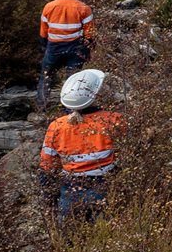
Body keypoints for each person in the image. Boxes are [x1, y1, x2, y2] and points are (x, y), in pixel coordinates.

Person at [40, 69, 123, 225]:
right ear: (97, 94)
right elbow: (131, 153)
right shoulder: (113, 120)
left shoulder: (57, 126)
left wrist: (49, 199)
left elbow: (48, 167)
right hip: (105, 188)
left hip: (69, 192)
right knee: (105, 237)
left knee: (67, 241)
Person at [39, 0, 95, 109]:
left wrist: (45, 47)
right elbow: (89, 35)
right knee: (73, 82)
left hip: (53, 50)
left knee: (46, 80)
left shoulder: (49, 6)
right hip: (76, 52)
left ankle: (41, 110)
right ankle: (70, 112)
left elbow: (43, 32)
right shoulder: (84, 8)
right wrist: (88, 51)